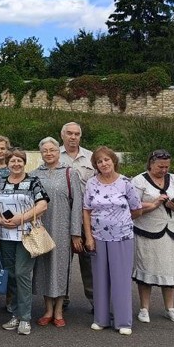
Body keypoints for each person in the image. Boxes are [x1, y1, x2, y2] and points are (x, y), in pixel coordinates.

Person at [82, 146, 142, 336]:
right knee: (99, 278)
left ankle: (123, 320)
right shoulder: (91, 183)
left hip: (122, 236)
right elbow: (86, 210)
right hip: (98, 237)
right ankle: (101, 319)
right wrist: (89, 236)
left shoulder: (125, 182)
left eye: (106, 160)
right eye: (99, 162)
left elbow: (137, 208)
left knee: (120, 278)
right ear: (96, 165)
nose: (104, 164)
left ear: (113, 161)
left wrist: (121, 221)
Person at [132, 150, 174, 324]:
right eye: (160, 166)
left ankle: (170, 308)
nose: (164, 170)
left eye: (167, 166)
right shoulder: (139, 180)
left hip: (171, 231)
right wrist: (155, 204)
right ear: (150, 163)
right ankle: (144, 309)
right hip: (146, 231)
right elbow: (133, 206)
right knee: (146, 268)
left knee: (169, 269)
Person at [0, 149, 49, 335]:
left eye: (19, 160)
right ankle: (15, 315)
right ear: (7, 163)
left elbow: (42, 204)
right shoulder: (0, 183)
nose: (15, 164)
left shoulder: (32, 181)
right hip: (5, 235)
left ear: (24, 162)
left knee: (22, 273)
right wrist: (0, 220)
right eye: (12, 161)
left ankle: (25, 318)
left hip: (27, 235)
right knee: (10, 274)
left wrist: (22, 218)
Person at [29, 137, 83, 327]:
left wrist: (76, 233)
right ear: (41, 153)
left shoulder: (70, 173)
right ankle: (48, 310)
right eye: (45, 151)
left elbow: (77, 204)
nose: (49, 153)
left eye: (52, 150)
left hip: (63, 228)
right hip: (41, 229)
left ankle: (59, 310)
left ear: (58, 152)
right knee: (43, 268)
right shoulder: (34, 174)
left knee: (60, 268)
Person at [61, 121, 96, 307]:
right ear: (63, 136)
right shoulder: (53, 156)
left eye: (76, 134)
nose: (73, 137)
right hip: (63, 216)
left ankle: (95, 301)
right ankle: (62, 299)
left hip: (86, 218)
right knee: (63, 260)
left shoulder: (91, 158)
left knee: (89, 260)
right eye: (69, 133)